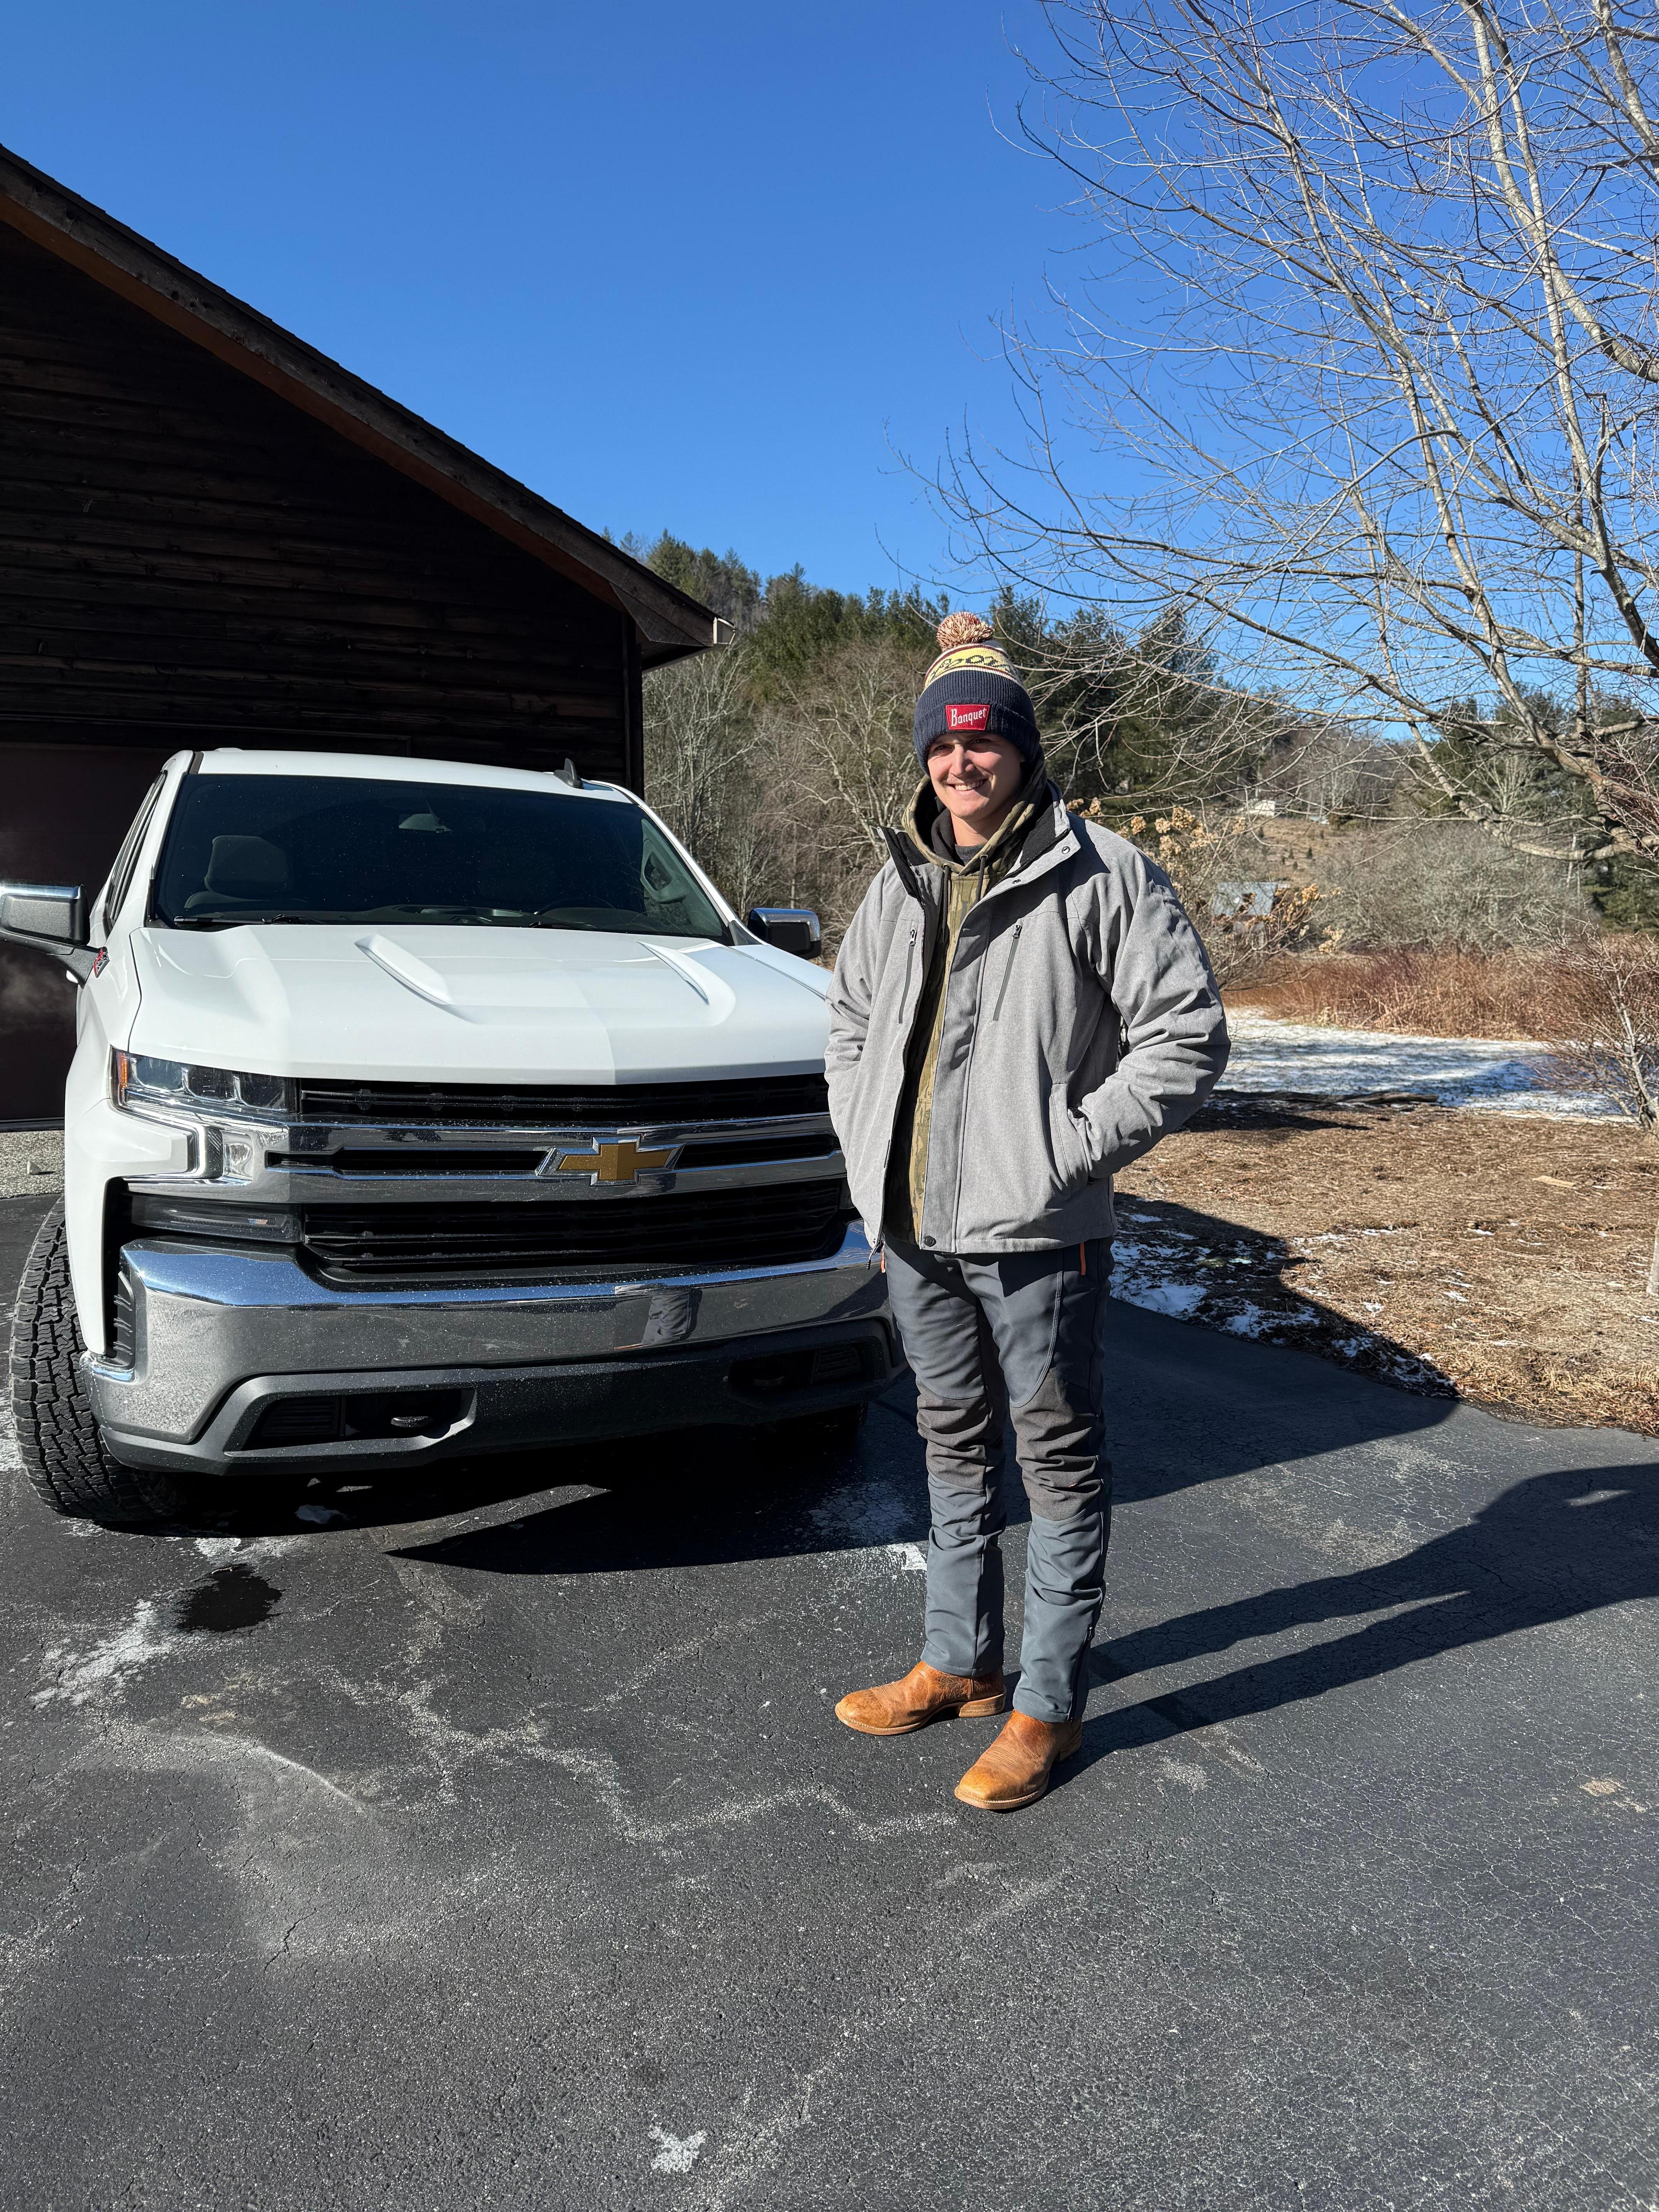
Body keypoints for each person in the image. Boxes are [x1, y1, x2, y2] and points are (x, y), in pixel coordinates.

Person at [824, 612, 1230, 1811]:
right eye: (942, 748)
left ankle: (1044, 1706)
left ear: (1020, 750)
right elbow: (847, 1021)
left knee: (1054, 1460)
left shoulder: (1101, 872)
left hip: (1035, 1231)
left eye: (982, 744)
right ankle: (958, 1661)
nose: (961, 766)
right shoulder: (896, 876)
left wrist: (1064, 1152)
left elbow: (1186, 1038)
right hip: (910, 1227)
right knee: (948, 1442)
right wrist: (864, 1140)